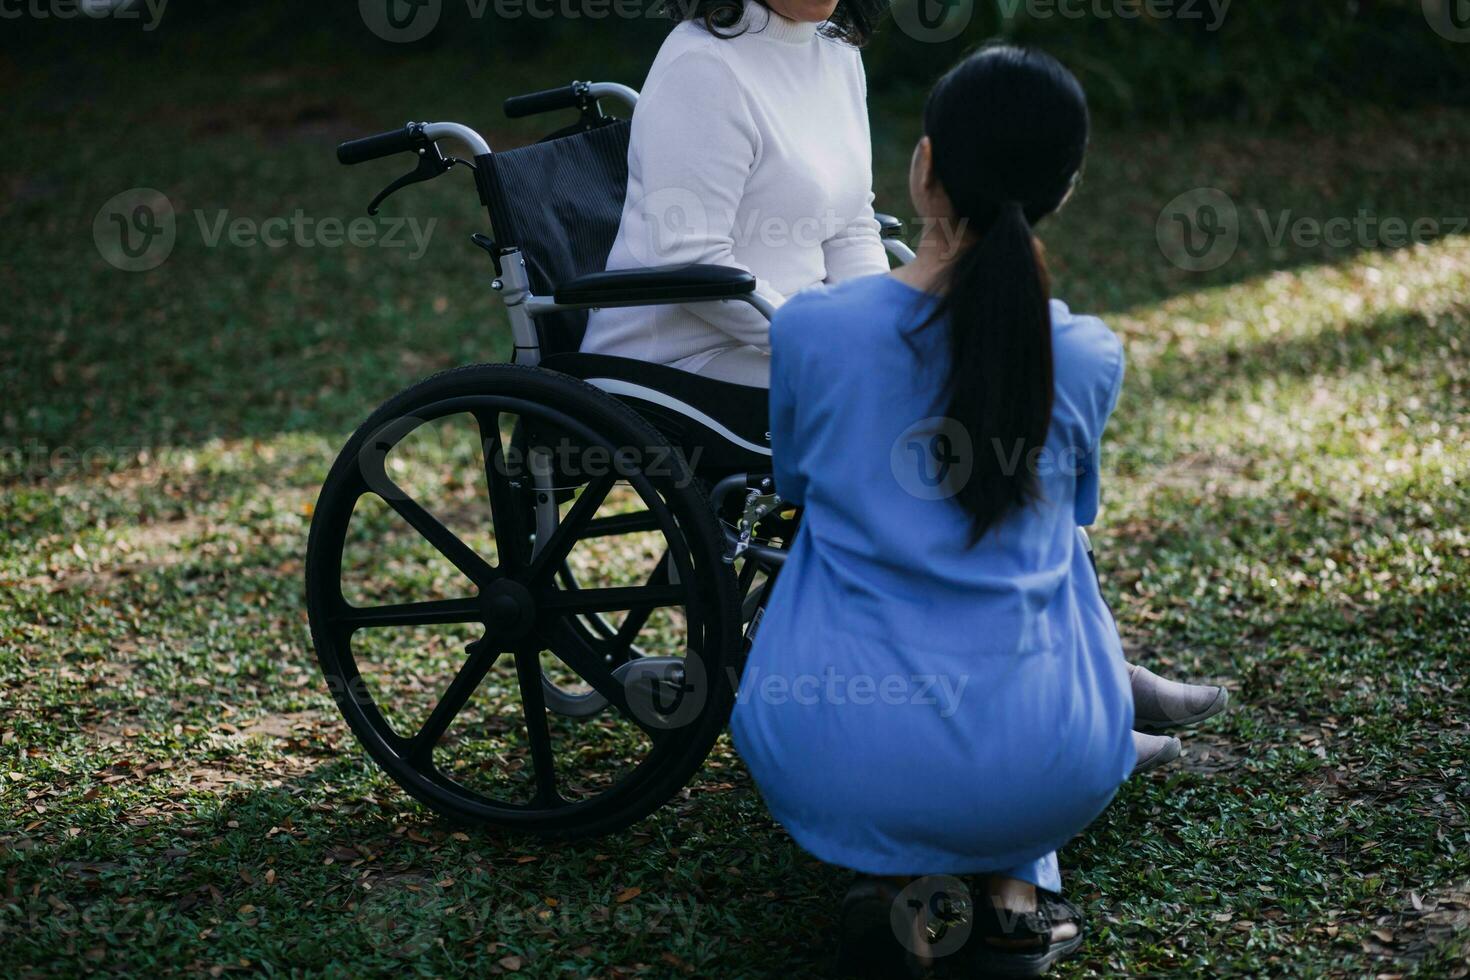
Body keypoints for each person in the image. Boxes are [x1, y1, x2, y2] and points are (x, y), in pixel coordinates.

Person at [729, 46, 1200, 976]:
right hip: (1053, 763)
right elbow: (1077, 518)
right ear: (1065, 189)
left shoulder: (812, 329)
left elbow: (793, 485)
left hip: (830, 744)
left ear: (924, 168)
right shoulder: (1088, 354)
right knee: (1055, 538)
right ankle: (1015, 895)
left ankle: (897, 882)